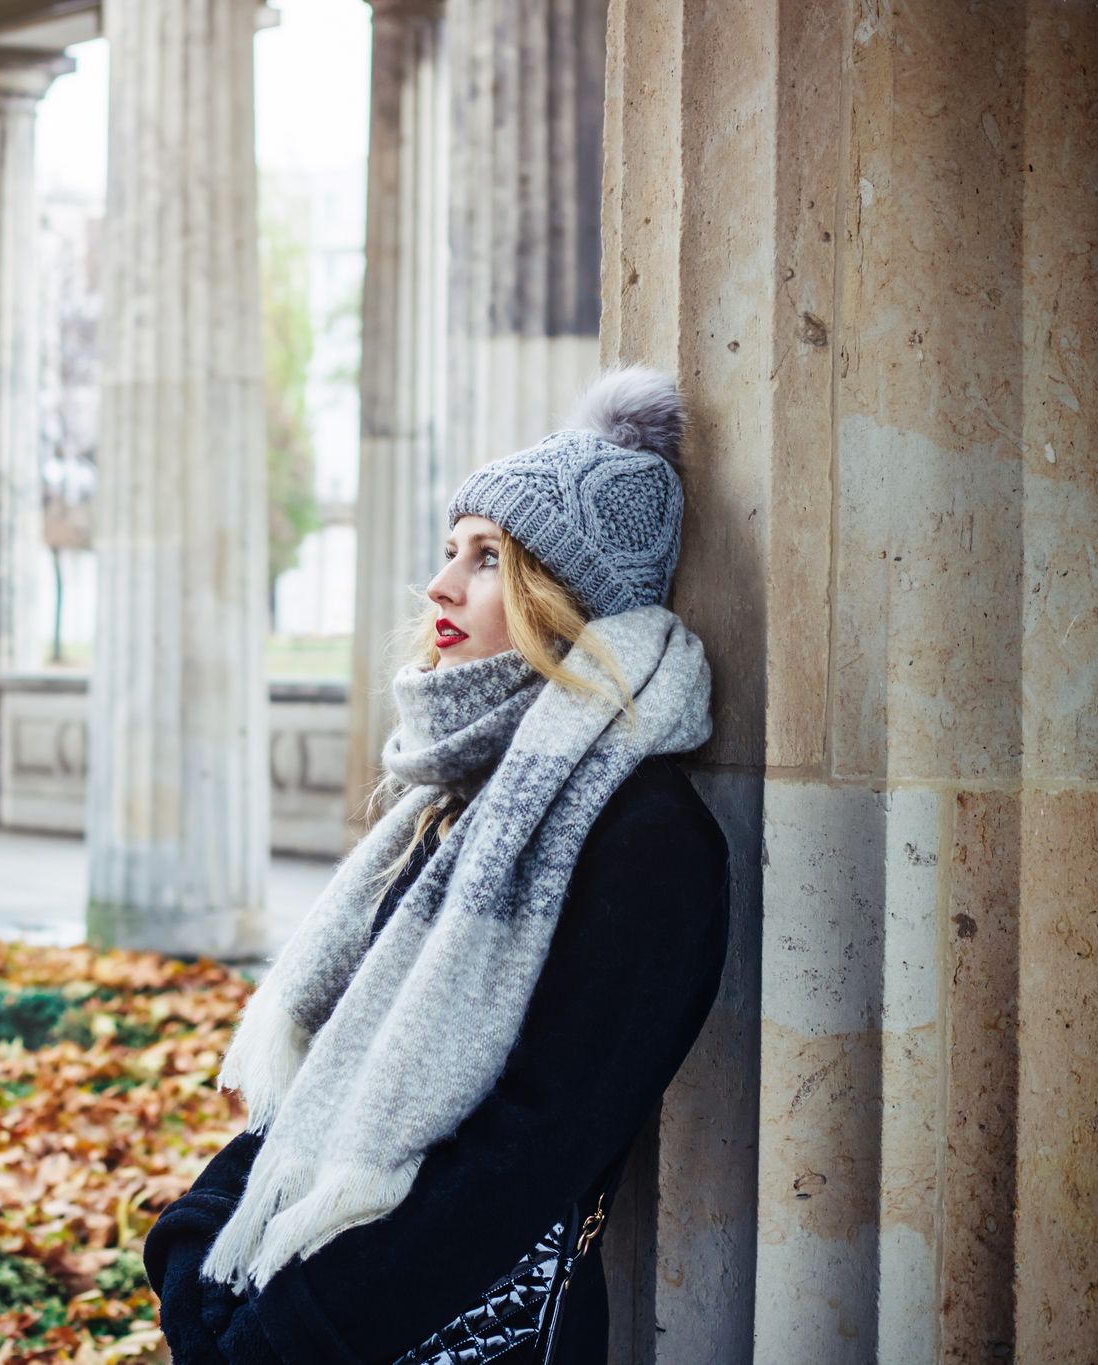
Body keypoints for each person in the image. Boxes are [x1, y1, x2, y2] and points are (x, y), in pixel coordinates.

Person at [144, 365, 732, 1365]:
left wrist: (286, 1336)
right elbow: (336, 1064)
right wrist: (196, 1236)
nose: (440, 586)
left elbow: (529, 1152)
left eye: (487, 557)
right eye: (449, 549)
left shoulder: (648, 835)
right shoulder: (451, 802)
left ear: (563, 597)